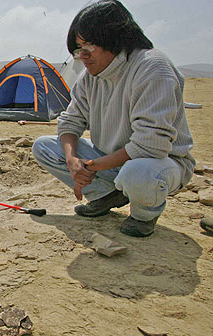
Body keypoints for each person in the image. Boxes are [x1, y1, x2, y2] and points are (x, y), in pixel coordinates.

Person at [32, 0, 195, 237]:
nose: (82, 56)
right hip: (111, 162)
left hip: (159, 164)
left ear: (114, 39)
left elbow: (150, 144)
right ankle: (105, 196)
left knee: (138, 173)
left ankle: (143, 215)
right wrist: (72, 161)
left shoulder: (152, 67)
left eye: (87, 46)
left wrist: (91, 167)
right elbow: (70, 122)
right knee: (44, 147)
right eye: (78, 49)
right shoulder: (90, 77)